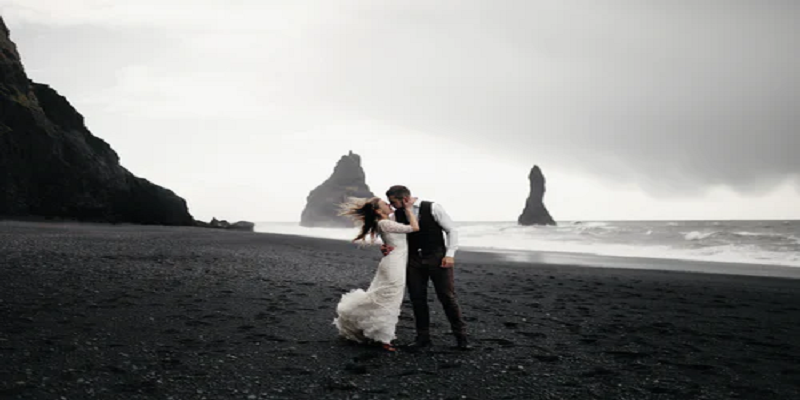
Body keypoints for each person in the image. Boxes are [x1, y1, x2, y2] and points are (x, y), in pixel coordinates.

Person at [383, 185, 470, 350]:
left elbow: (451, 230)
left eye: (394, 202)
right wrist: (386, 246)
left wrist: (450, 254)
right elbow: (395, 237)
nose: (392, 206)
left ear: (405, 199)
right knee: (417, 298)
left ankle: (461, 338)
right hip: (413, 260)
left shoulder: (432, 207)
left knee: (447, 297)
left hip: (437, 257)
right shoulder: (396, 215)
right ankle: (423, 338)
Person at [333, 196, 419, 352]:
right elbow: (414, 228)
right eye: (385, 203)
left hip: (394, 262)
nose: (388, 204)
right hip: (394, 265)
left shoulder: (386, 222)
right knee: (390, 299)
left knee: (385, 297)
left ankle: (377, 334)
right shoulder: (384, 223)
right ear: (378, 210)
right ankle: (383, 338)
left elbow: (393, 238)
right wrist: (408, 208)